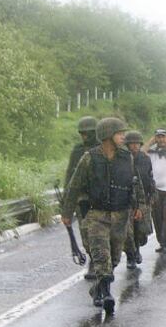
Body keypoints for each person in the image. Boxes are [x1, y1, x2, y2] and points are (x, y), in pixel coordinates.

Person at [61, 118, 146, 313]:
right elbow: (74, 185)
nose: (123, 137)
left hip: (121, 214)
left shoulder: (127, 158)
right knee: (101, 255)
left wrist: (139, 205)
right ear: (108, 136)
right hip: (96, 214)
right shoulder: (89, 158)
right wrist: (67, 212)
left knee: (115, 257)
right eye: (119, 133)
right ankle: (107, 293)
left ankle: (98, 288)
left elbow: (136, 182)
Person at [65, 116, 99, 280]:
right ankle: (93, 261)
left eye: (88, 133)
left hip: (100, 198)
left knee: (100, 232)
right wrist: (67, 200)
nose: (84, 137)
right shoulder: (78, 150)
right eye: (82, 134)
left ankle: (102, 261)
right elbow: (70, 175)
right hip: (82, 199)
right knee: (85, 232)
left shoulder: (103, 149)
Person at [123, 131, 156, 269]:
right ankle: (131, 255)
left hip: (143, 198)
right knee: (128, 231)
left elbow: (149, 177)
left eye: (137, 143)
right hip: (127, 199)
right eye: (132, 144)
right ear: (128, 145)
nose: (135, 146)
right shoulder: (123, 159)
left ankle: (137, 248)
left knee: (141, 230)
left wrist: (150, 196)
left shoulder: (145, 158)